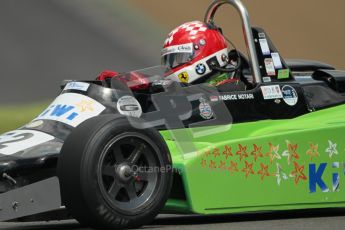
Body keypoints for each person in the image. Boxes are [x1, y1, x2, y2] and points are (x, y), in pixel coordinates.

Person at [97, 21, 246, 91]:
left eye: (179, 58)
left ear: (210, 58)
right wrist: (128, 81)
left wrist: (156, 85)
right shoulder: (193, 85)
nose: (172, 66)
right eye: (171, 60)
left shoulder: (232, 87)